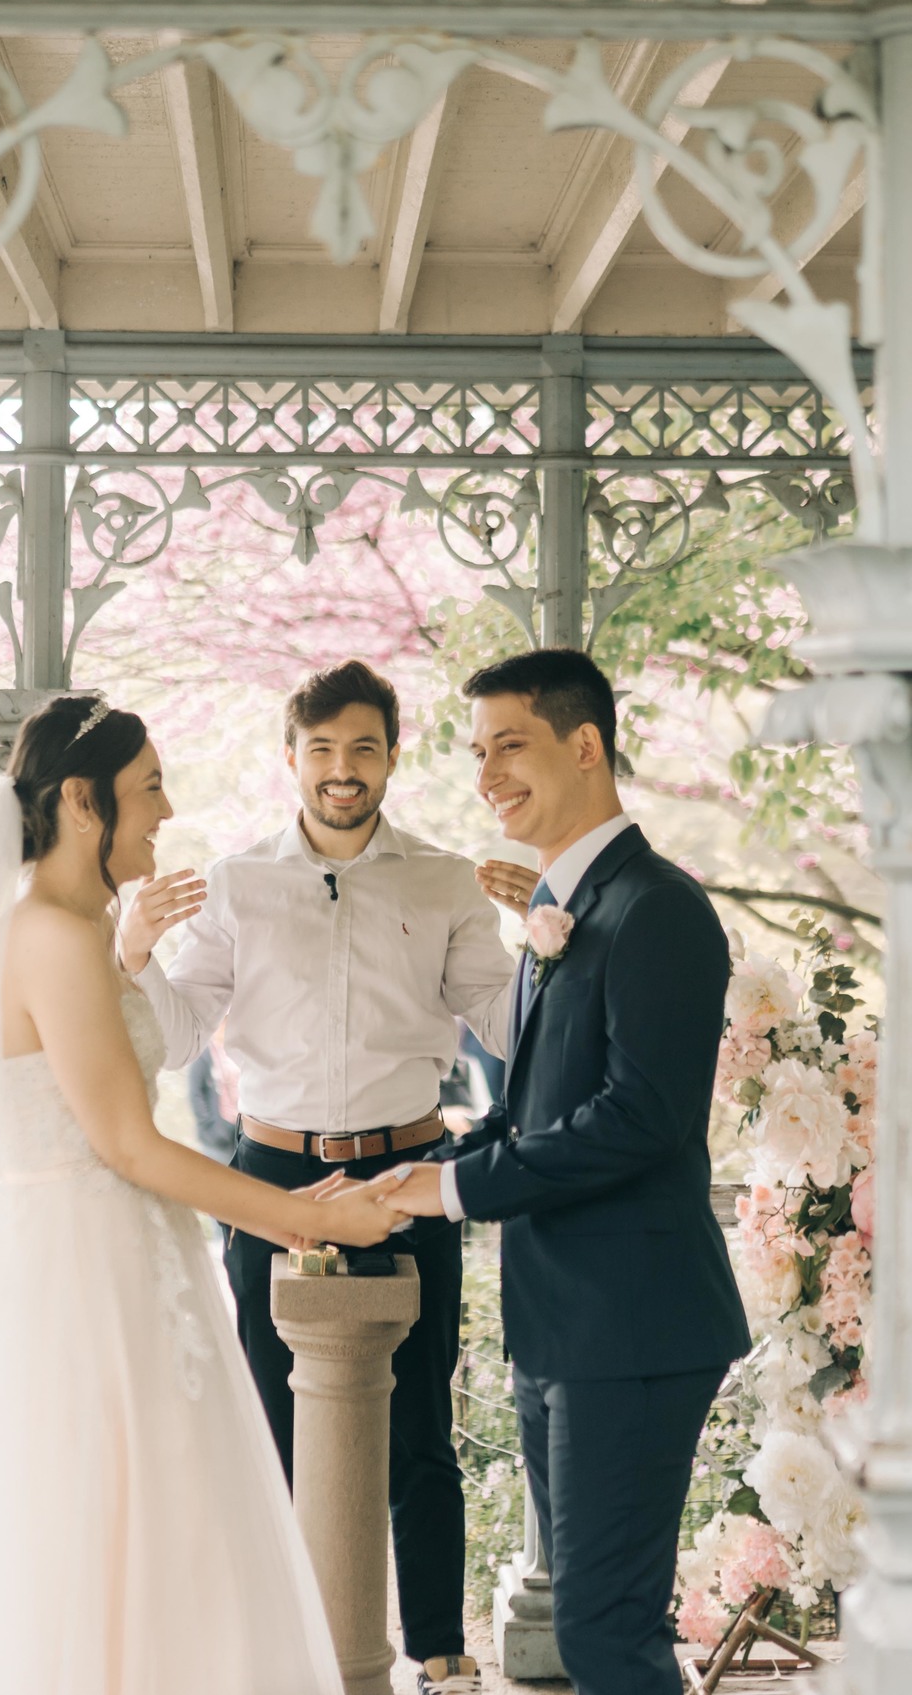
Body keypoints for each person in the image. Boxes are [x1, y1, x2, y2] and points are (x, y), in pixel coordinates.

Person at [0, 693, 396, 1695]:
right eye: (150, 786)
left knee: (160, 1533)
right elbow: (126, 1142)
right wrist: (314, 1216)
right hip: (87, 1277)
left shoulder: (76, 923)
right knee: (123, 1533)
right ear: (84, 803)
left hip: (105, 1255)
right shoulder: (49, 931)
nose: (167, 809)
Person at [120, 659, 533, 1695]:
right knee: (273, 1417)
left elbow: (509, 1026)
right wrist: (135, 951)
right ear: (291, 756)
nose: (341, 769)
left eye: (362, 747)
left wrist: (558, 943)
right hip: (273, 1180)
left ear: (391, 755)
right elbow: (174, 1042)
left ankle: (439, 1647)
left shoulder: (442, 879)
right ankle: (291, 1648)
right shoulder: (235, 884)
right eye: (322, 748)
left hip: (406, 1173)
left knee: (422, 1419)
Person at [378, 649, 752, 1695]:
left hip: (631, 1328)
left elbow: (639, 1119)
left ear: (585, 745)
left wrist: (448, 1191)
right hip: (567, 1327)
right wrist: (412, 1170)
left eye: (511, 744)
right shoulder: (568, 911)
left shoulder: (657, 909)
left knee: (603, 1630)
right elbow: (532, 1115)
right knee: (598, 1628)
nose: (487, 772)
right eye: (477, 751)